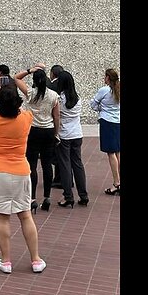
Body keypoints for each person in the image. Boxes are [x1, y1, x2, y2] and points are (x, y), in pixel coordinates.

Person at [0, 73, 46, 274]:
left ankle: (6, 260)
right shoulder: (25, 119)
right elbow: (25, 109)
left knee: (3, 217)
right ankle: (35, 259)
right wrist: (13, 99)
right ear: (17, 103)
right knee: (25, 215)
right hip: (21, 170)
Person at [23, 67, 61, 212]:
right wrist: (56, 133)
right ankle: (47, 197)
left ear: (34, 81)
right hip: (48, 130)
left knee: (32, 164)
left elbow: (16, 78)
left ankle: (32, 198)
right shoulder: (53, 95)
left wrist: (30, 70)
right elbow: (57, 116)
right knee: (46, 164)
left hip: (33, 130)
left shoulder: (31, 93)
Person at [50, 70, 88, 207]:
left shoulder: (59, 99)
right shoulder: (78, 99)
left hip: (64, 135)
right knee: (78, 164)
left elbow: (56, 116)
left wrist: (55, 133)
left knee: (65, 165)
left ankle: (68, 196)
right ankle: (83, 195)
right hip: (77, 134)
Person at [92, 68, 121, 195]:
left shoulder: (104, 90)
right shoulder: (119, 89)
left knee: (111, 153)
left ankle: (116, 183)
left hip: (107, 121)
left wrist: (101, 108)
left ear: (108, 78)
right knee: (118, 151)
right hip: (118, 121)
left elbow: (93, 104)